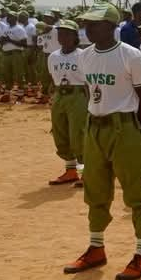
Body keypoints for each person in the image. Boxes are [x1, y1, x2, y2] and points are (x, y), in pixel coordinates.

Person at [62, 2, 141, 280]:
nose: (88, 29)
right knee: (95, 189)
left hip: (124, 127)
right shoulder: (85, 56)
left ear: (112, 26)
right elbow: (93, 92)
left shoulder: (131, 55)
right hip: (95, 128)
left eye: (94, 24)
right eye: (86, 24)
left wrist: (135, 133)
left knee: (137, 192)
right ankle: (96, 247)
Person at [46, 19, 87, 185]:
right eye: (60, 33)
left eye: (66, 33)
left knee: (78, 134)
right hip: (59, 95)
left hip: (78, 95)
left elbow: (88, 82)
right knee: (60, 132)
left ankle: (86, 171)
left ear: (74, 36)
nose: (62, 36)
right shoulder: (53, 56)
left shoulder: (83, 56)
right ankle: (70, 170)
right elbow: (52, 78)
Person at [0, 12, 28, 103]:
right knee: (7, 74)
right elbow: (1, 40)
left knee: (19, 75)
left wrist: (9, 40)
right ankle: (7, 95)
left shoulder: (19, 29)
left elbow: (24, 44)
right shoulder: (6, 28)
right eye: (8, 17)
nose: (8, 18)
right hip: (6, 53)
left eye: (10, 17)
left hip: (16, 54)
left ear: (15, 18)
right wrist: (3, 40)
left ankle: (21, 96)